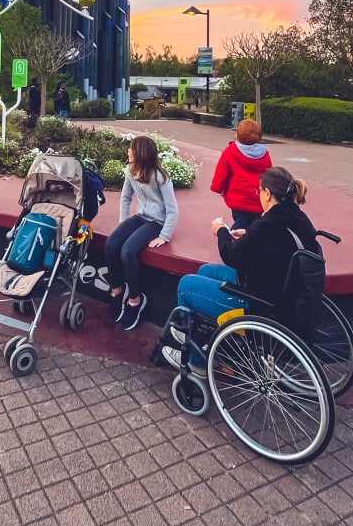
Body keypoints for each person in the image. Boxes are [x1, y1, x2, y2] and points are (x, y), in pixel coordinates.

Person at [161, 166, 318, 372]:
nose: (258, 195)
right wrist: (248, 236)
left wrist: (222, 232)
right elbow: (274, 247)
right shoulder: (298, 219)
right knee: (206, 271)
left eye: (259, 191)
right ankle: (216, 344)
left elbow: (232, 257)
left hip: (259, 303)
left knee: (186, 285)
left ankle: (196, 359)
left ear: (268, 194)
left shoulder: (268, 224)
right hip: (282, 291)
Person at [106, 135, 179, 331]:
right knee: (112, 244)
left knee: (127, 251)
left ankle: (135, 300)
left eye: (131, 148)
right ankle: (116, 290)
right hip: (140, 217)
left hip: (156, 222)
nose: (128, 151)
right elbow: (125, 197)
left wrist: (164, 236)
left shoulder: (160, 177)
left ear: (140, 153)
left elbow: (173, 210)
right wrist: (123, 224)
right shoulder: (131, 172)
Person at [209, 118, 272, 229]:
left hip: (238, 198)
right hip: (259, 197)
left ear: (238, 135)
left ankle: (233, 241)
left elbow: (221, 173)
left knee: (240, 222)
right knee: (256, 224)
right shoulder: (264, 154)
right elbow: (270, 175)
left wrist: (218, 188)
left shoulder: (230, 151)